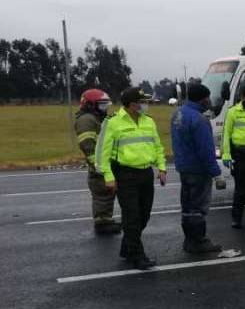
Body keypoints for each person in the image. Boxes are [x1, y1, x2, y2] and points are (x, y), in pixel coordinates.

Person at [97, 87, 167, 269]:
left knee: (144, 215)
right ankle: (137, 256)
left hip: (146, 173)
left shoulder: (148, 121)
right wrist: (108, 177)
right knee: (132, 216)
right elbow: (102, 153)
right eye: (142, 102)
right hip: (125, 174)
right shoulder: (112, 122)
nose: (145, 105)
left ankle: (127, 247)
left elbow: (157, 146)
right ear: (132, 104)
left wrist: (162, 167)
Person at [171, 82, 223, 254]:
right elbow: (206, 150)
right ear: (203, 99)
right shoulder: (200, 120)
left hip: (183, 167)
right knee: (198, 207)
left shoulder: (177, 114)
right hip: (198, 170)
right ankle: (198, 241)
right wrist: (216, 174)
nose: (209, 101)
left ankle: (189, 241)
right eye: (208, 98)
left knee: (187, 207)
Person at [74, 88, 121, 234]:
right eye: (102, 104)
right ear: (90, 105)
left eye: (106, 104)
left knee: (106, 193)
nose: (105, 108)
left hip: (103, 163)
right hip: (99, 165)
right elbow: (87, 145)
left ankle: (106, 219)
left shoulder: (96, 118)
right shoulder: (87, 120)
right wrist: (98, 165)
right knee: (102, 194)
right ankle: (102, 223)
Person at [222, 85, 245, 229]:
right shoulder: (233, 112)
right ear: (243, 98)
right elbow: (226, 134)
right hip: (241, 154)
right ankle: (236, 219)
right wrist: (226, 154)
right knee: (241, 190)